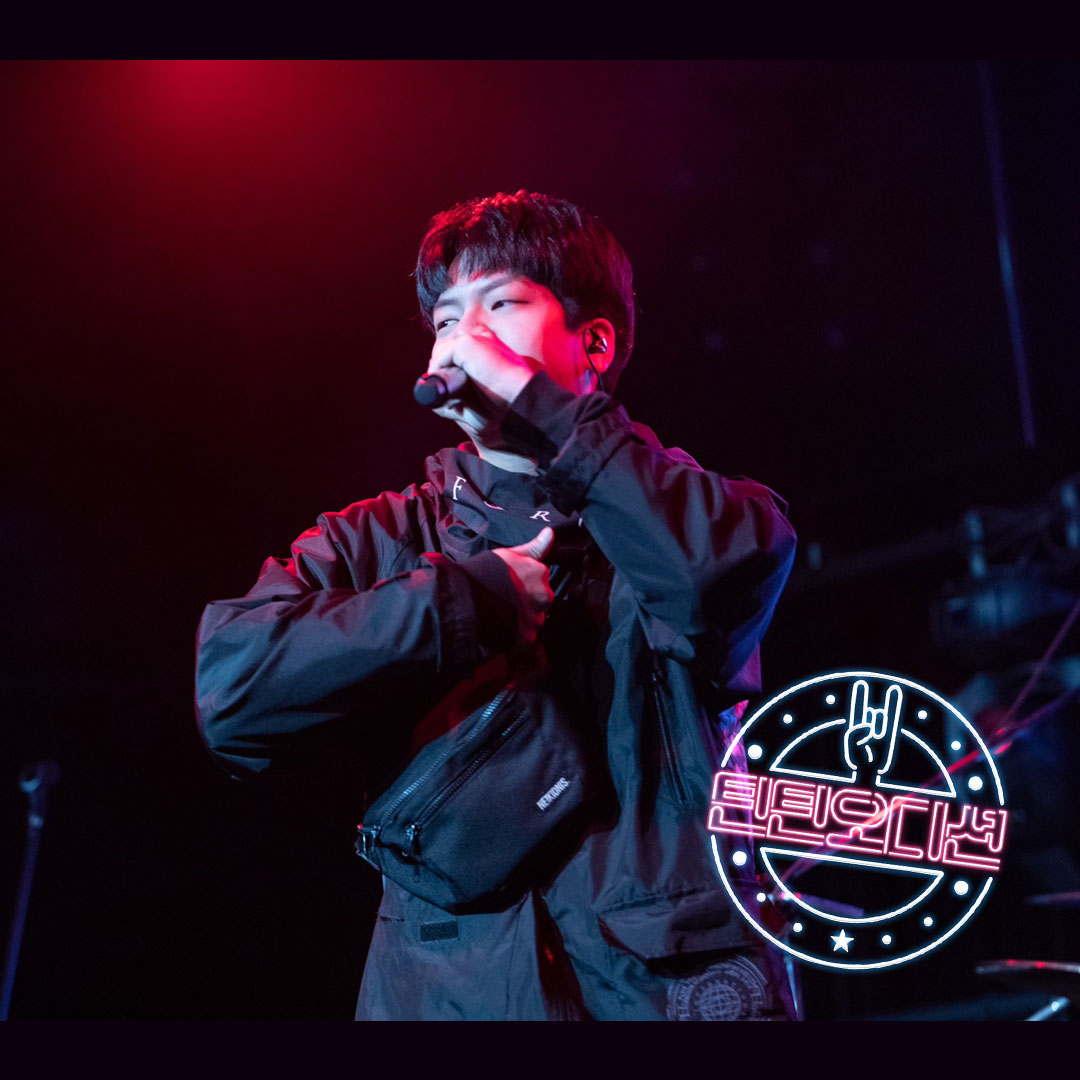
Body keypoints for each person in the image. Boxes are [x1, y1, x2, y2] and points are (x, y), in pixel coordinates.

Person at [195, 191, 799, 1020]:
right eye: (446, 320)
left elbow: (714, 579)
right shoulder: (386, 537)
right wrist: (461, 605)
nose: (464, 338)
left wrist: (544, 413)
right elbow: (233, 689)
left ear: (594, 343)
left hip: (664, 991)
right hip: (444, 996)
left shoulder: (697, 510)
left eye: (501, 305)